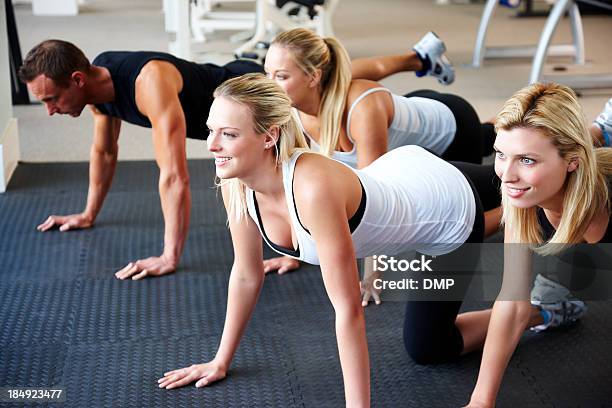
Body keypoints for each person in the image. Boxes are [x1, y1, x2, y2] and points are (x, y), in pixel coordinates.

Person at [157, 73, 500, 406]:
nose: (212, 145)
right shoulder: (237, 181)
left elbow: (348, 311)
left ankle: (523, 247)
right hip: (402, 176)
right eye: (211, 131)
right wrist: (220, 361)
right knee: (428, 344)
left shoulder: (312, 186)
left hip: (445, 209)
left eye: (228, 134)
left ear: (268, 136)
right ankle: (524, 212)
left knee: (430, 348)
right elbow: (247, 273)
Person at [18, 38, 443, 280]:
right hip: (230, 102)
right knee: (336, 78)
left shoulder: (149, 82)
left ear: (76, 80)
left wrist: (170, 255)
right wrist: (88, 213)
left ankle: (416, 57)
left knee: (335, 78)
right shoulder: (98, 86)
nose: (51, 110)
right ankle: (419, 57)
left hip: (246, 89)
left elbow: (174, 176)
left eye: (52, 99)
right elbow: (104, 151)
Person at [262, 28, 498, 275]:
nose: (269, 85)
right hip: (410, 127)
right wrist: (292, 252)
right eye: (267, 73)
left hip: (455, 131)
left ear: (313, 77)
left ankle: (519, 203)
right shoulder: (291, 109)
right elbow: (293, 187)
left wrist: (373, 274)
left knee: (464, 221)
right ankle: (492, 124)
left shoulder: (362, 107)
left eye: (280, 76)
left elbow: (377, 196)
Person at [465, 83, 611, 407]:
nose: (507, 175)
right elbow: (513, 301)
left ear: (572, 160)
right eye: (502, 155)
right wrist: (481, 401)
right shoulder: (522, 198)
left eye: (527, 160)